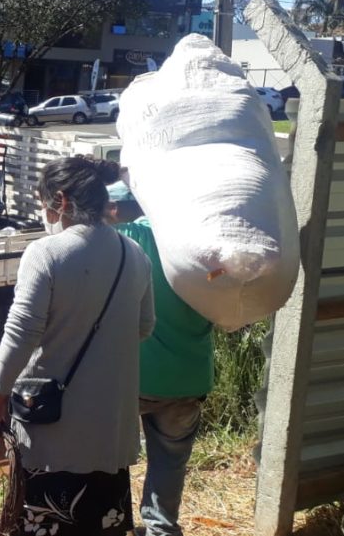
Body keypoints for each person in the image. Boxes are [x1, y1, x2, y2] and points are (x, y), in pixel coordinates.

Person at [0, 156, 155, 536]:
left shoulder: (46, 253)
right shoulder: (134, 254)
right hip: (111, 426)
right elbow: (144, 326)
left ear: (60, 201)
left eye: (45, 204)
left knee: (48, 522)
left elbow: (21, 331)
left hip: (54, 429)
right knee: (101, 524)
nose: (45, 213)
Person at [111, 186, 215, 536]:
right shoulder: (202, 245)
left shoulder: (127, 238)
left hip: (132, 378)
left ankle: (113, 523)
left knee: (111, 457)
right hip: (188, 377)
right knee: (170, 460)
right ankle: (161, 529)